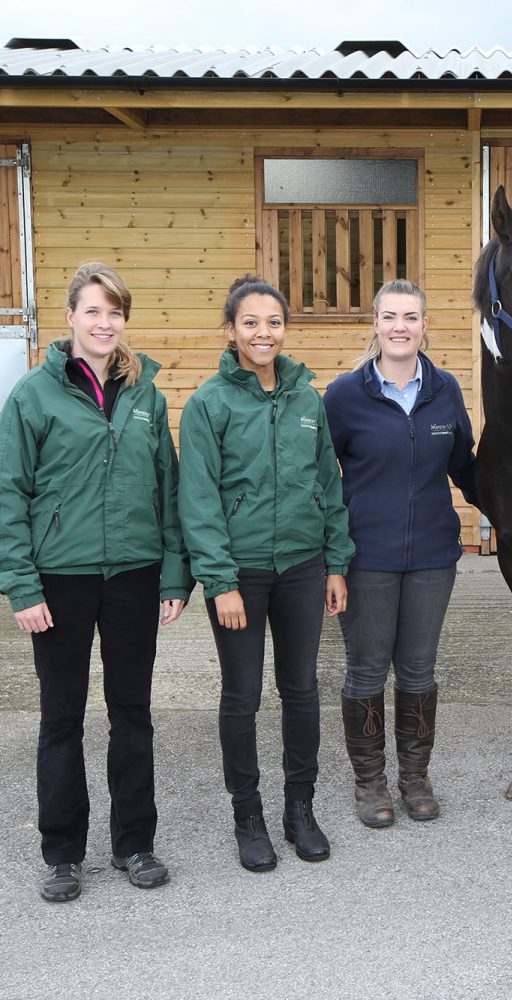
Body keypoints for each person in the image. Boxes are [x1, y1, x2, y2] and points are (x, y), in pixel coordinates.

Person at [0, 262, 191, 902]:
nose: (104, 323)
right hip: (61, 578)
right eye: (93, 311)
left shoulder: (147, 397)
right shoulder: (33, 396)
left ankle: (135, 843)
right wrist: (21, 586)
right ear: (71, 318)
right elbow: (8, 494)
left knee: (132, 713)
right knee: (62, 717)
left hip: (135, 577)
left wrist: (173, 575)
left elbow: (168, 490)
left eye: (115, 313)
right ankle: (62, 852)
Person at [179, 275, 354, 872]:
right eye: (250, 322)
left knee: (301, 689)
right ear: (230, 331)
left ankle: (299, 808)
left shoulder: (308, 400)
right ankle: (247, 815)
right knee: (243, 694)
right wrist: (221, 581)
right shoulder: (208, 404)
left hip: (304, 568)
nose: (263, 333)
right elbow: (197, 500)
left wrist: (336, 562)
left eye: (273, 322)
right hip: (242, 575)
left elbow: (328, 484)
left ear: (285, 328)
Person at [323, 279, 477, 828]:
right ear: (375, 322)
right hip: (367, 557)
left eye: (410, 317)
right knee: (366, 671)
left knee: (418, 670)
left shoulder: (445, 390)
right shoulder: (344, 396)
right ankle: (370, 782)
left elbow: (465, 464)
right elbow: (322, 481)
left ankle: (415, 776)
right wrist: (332, 560)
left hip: (433, 555)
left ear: (424, 325)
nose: (399, 327)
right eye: (390, 316)